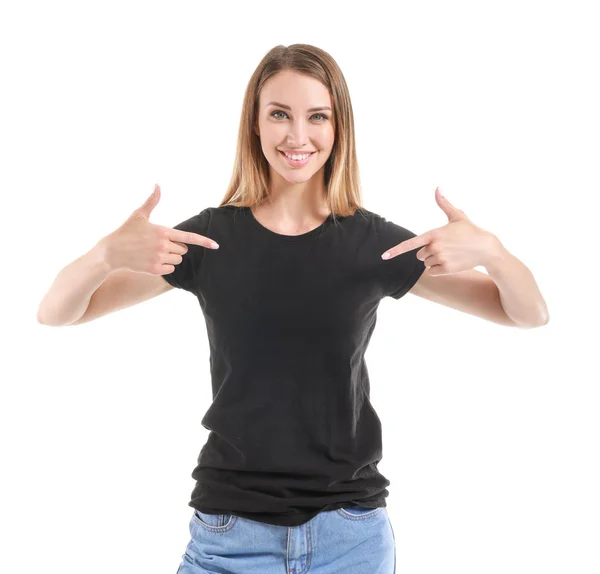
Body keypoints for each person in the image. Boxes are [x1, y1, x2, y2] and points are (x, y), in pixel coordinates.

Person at [37, 43, 549, 574]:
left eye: (317, 117)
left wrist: (492, 251)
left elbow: (527, 313)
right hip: (230, 535)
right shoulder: (209, 240)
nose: (297, 136)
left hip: (350, 538)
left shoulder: (374, 244)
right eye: (279, 114)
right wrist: (104, 255)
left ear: (338, 128)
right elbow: (58, 312)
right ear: (255, 126)